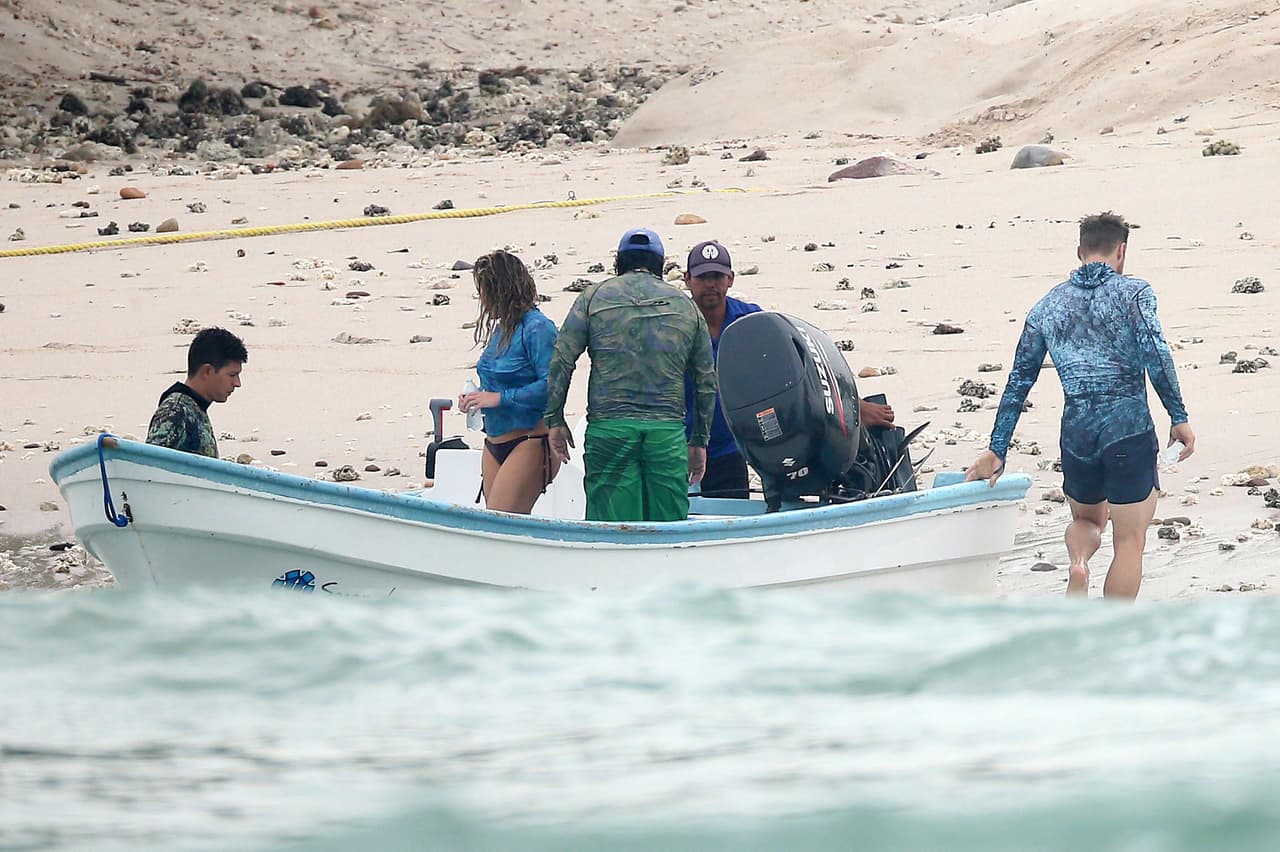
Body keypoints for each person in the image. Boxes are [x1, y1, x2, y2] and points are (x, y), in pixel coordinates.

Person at [965, 212, 1194, 599]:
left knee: (1087, 520)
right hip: (1128, 431)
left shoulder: (1047, 307)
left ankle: (1080, 563)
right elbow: (1157, 355)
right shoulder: (1134, 293)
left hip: (1077, 436)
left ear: (1079, 251)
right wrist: (1179, 417)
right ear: (1122, 251)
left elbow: (1020, 379)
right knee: (1129, 541)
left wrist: (997, 448)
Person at [683, 240, 897, 499]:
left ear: (730, 279)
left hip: (735, 448)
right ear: (687, 280)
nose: (710, 284)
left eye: (717, 276)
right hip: (681, 447)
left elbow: (797, 370)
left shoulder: (751, 323)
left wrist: (854, 407)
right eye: (702, 277)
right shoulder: (675, 325)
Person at [545, 227, 716, 522]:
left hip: (610, 429)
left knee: (612, 530)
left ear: (618, 263)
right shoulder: (686, 307)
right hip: (666, 433)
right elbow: (706, 381)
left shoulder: (593, 298)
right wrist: (699, 440)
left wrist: (555, 419)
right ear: (660, 265)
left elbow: (562, 359)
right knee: (668, 528)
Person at [457, 250, 560, 514]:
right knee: (495, 524)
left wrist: (499, 398)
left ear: (500, 290)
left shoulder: (538, 328)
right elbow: (496, 384)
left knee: (500, 523)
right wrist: (476, 397)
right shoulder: (502, 330)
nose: (481, 299)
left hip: (529, 440)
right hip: (494, 441)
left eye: (484, 291)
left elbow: (552, 384)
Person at [146, 326, 247, 458]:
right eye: (232, 375)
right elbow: (150, 463)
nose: (237, 383)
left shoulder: (194, 407)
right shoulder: (175, 411)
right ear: (207, 371)